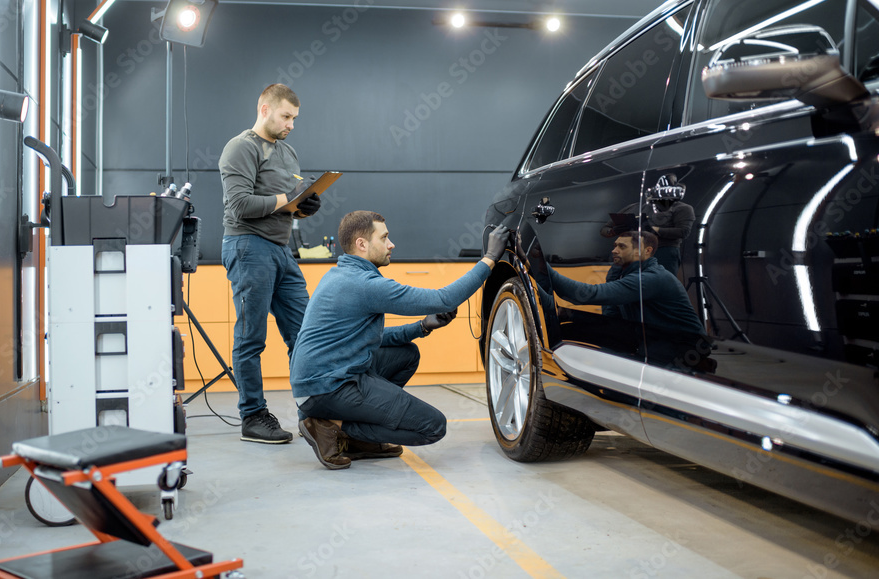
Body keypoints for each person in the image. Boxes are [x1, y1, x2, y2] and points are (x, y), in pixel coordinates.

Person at [289, 211, 509, 469]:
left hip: (318, 382)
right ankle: (333, 426)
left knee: (407, 354)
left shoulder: (339, 275)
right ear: (362, 244)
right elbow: (444, 298)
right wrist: (490, 258)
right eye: (384, 238)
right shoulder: (365, 284)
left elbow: (372, 339)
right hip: (325, 388)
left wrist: (422, 327)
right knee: (432, 426)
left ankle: (356, 436)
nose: (391, 244)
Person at [219, 84, 322, 443]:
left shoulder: (288, 151)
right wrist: (287, 197)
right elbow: (240, 206)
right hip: (248, 246)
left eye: (294, 118)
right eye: (286, 116)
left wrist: (304, 206)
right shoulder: (241, 147)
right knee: (252, 337)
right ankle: (252, 415)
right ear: (265, 109)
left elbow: (286, 203)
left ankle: (315, 410)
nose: (291, 124)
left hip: (280, 250)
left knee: (305, 334)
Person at [548, 230, 703, 336]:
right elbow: (611, 318)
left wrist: (546, 270)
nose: (614, 250)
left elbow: (591, 295)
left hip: (684, 348)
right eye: (615, 245)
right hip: (656, 341)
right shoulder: (626, 274)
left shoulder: (651, 278)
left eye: (622, 246)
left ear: (646, 251)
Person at [601, 174, 695, 275]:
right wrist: (614, 231)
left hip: (663, 251)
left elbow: (683, 231)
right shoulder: (634, 207)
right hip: (630, 252)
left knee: (661, 284)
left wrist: (654, 230)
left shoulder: (682, 208)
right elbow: (605, 229)